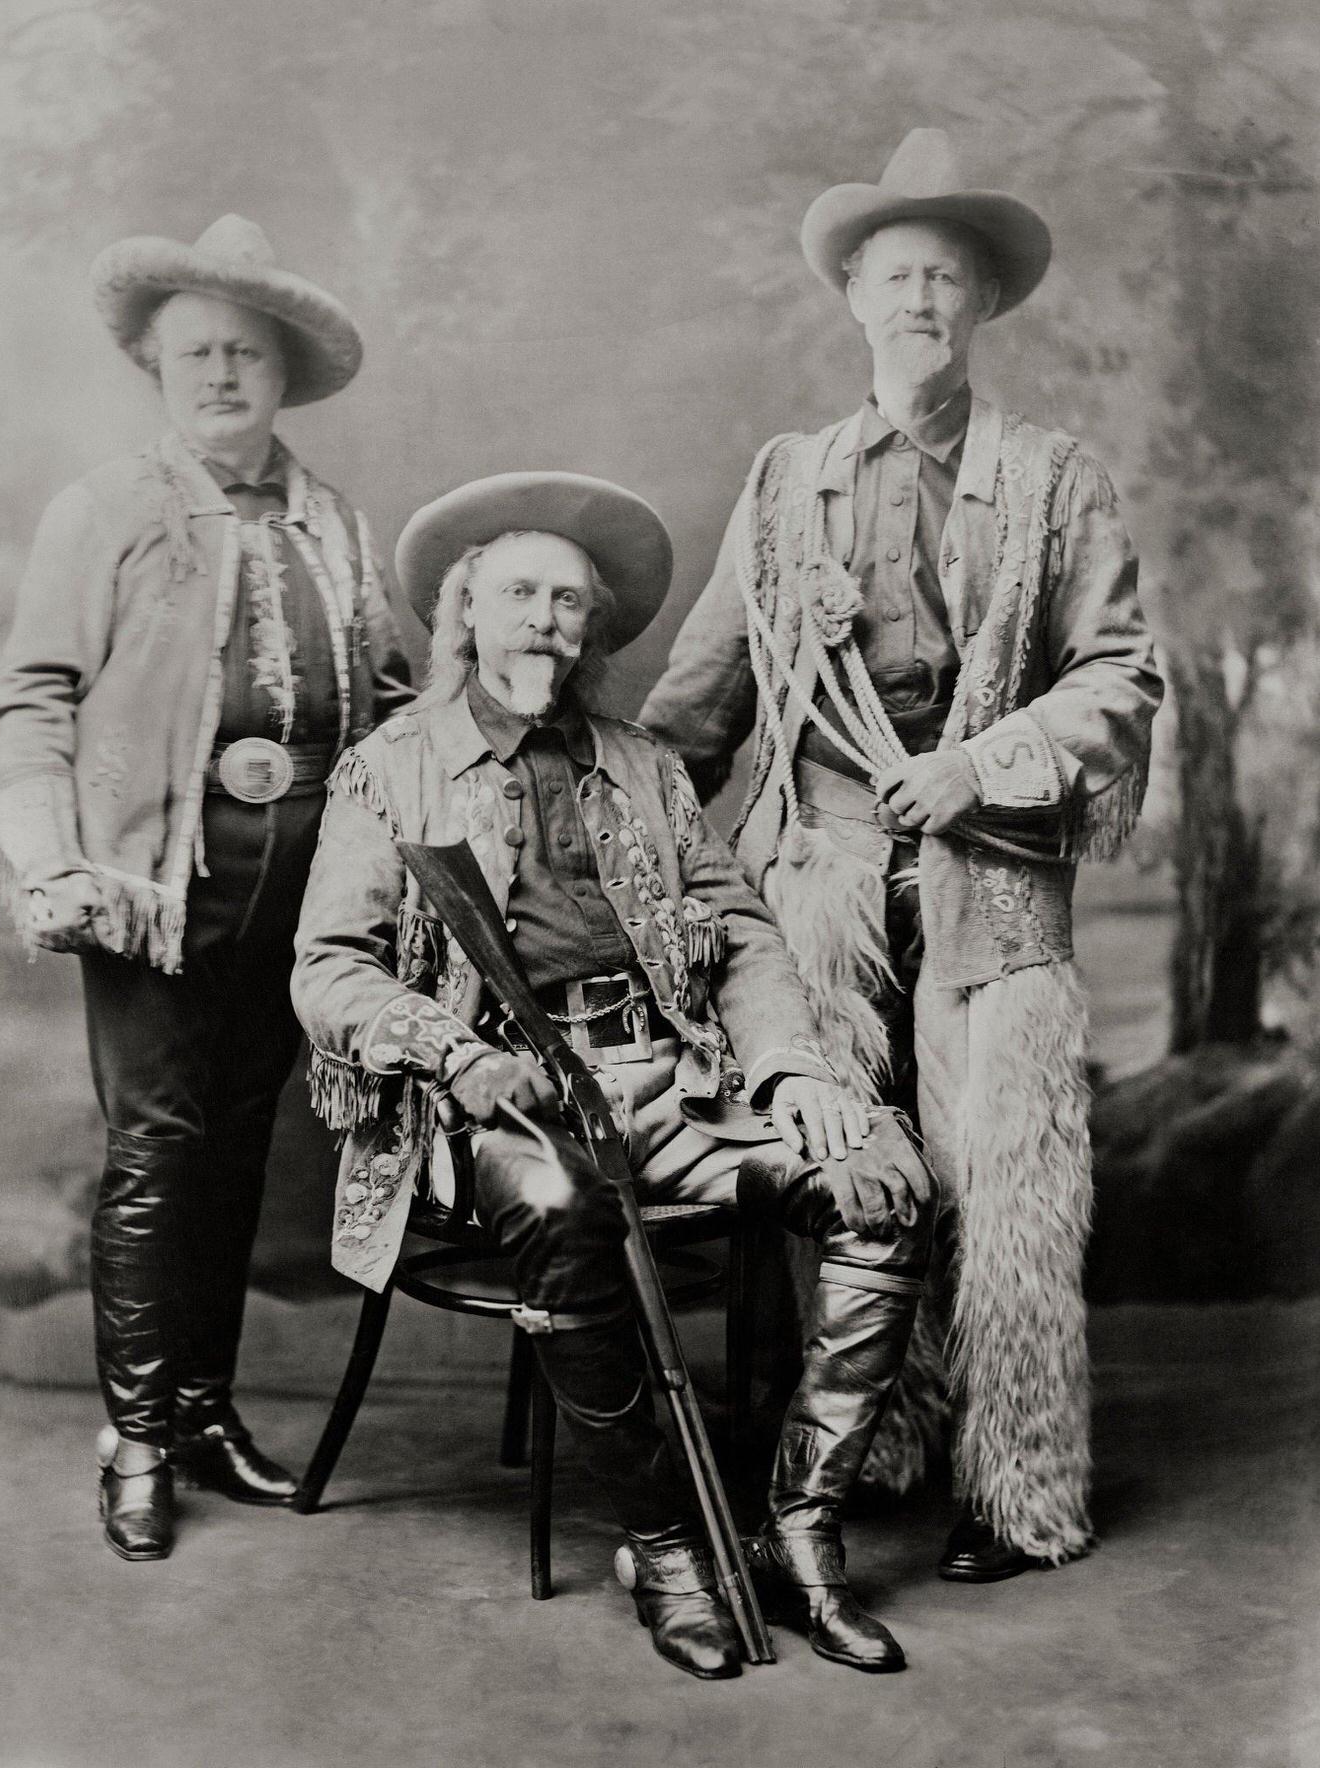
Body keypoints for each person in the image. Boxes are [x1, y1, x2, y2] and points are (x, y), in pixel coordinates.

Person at [291, 472, 939, 1680]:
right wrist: (456, 1052)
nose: (545, 617)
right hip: (495, 1100)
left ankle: (799, 1529)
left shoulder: (639, 761)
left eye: (569, 601)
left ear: (590, 631)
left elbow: (733, 925)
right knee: (561, 1212)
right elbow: (327, 966)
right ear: (465, 609)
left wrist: (792, 1067)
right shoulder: (392, 767)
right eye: (520, 592)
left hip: (674, 1076)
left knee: (881, 1184)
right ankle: (667, 1545)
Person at [639, 130, 1163, 1580]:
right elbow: (700, 700)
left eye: (947, 274)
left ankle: (1022, 1488)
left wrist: (979, 766)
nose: (920, 297)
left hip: (990, 871)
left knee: (1005, 1186)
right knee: (856, 1175)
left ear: (984, 301)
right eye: (895, 273)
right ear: (854, 297)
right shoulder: (787, 481)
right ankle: (874, 1436)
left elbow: (1119, 681)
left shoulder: (1057, 482)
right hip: (819, 878)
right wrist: (613, 843)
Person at [0, 215, 411, 1562]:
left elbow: (383, 695)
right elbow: (28, 699)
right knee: (157, 1154)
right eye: (196, 353)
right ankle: (139, 1438)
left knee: (237, 1157)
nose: (221, 375)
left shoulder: (333, 524)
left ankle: (205, 1411)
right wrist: (49, 857)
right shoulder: (104, 510)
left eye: (246, 354)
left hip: (304, 895)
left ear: (283, 374)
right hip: (157, 889)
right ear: (158, 370)